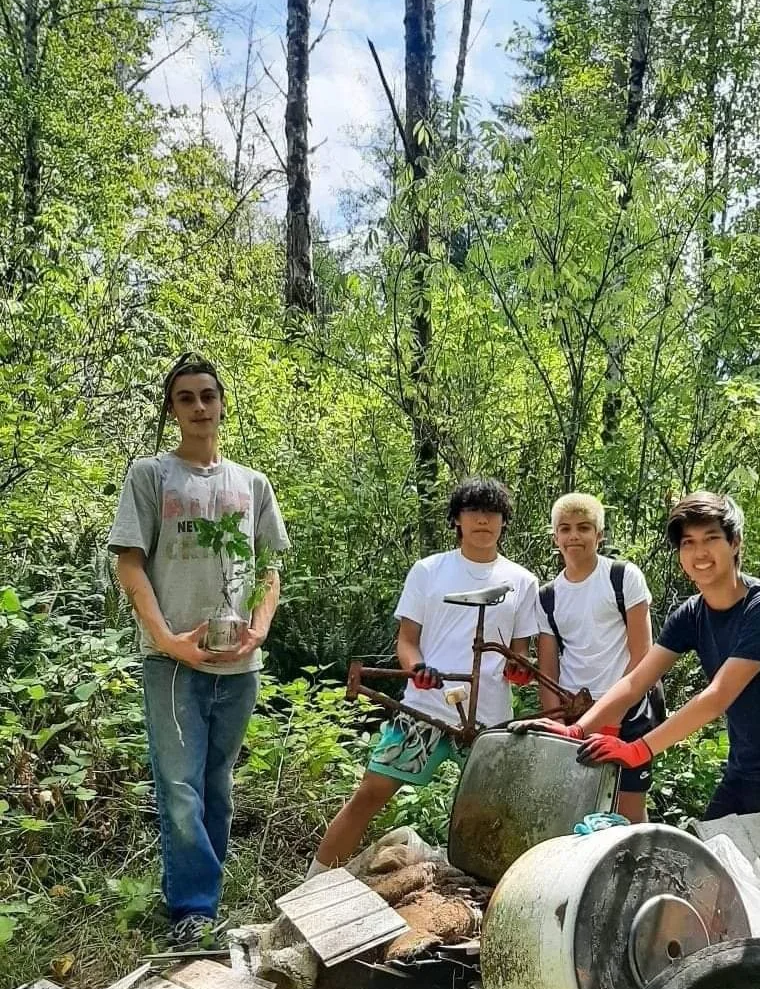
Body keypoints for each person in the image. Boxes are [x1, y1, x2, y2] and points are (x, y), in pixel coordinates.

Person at [516, 492, 760, 855]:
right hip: (746, 767)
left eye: (711, 539)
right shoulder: (692, 613)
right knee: (708, 873)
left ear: (735, 543)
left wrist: (639, 748)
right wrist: (577, 729)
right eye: (689, 543)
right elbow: (637, 679)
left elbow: (717, 697)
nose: (700, 553)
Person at [109, 353, 289, 947]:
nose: (198, 407)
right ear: (172, 409)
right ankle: (192, 910)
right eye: (185, 398)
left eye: (207, 395)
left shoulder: (252, 484)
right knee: (179, 785)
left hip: (239, 663)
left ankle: (204, 900)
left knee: (217, 783)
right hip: (171, 663)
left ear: (221, 403)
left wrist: (260, 627)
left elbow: (270, 567)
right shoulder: (151, 476)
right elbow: (128, 562)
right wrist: (166, 640)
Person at [311, 477, 539, 872]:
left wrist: (520, 669)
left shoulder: (522, 580)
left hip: (489, 720)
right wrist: (417, 669)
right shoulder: (429, 570)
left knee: (493, 816)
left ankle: (490, 900)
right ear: (457, 519)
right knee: (370, 793)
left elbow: (519, 654)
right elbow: (407, 641)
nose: (483, 521)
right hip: (423, 710)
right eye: (473, 512)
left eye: (493, 513)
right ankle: (309, 886)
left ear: (504, 521)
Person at [536, 493, 654, 822]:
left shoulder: (623, 577)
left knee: (629, 814)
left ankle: (642, 869)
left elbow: (643, 654)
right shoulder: (547, 597)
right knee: (577, 809)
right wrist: (557, 725)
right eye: (566, 528)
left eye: (584, 528)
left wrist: (613, 715)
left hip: (628, 713)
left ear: (599, 535)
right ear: (555, 536)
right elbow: (548, 669)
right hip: (574, 715)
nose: (575, 536)